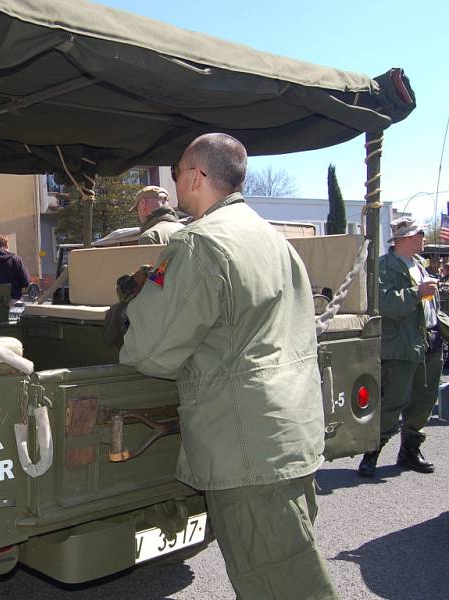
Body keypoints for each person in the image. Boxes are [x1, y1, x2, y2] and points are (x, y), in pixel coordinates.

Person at [119, 133, 337, 599]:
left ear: (196, 176)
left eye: (177, 171)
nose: (176, 179)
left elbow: (150, 351)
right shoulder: (271, 237)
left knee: (281, 585)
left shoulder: (202, 242)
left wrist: (137, 306)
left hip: (247, 446)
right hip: (288, 431)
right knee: (286, 566)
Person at [358, 218, 442, 477]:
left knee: (424, 401)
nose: (424, 237)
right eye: (420, 233)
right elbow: (385, 305)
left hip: (429, 340)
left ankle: (409, 451)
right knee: (394, 401)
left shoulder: (419, 265)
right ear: (405, 238)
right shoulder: (384, 267)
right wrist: (416, 292)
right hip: (403, 346)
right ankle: (372, 452)